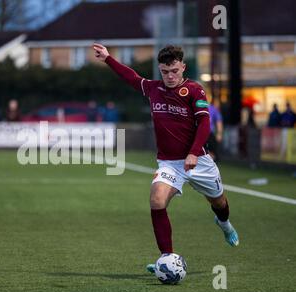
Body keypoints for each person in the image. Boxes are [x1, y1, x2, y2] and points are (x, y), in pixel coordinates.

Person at [93, 43, 239, 274]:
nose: (170, 76)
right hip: (170, 163)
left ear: (182, 66)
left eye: (174, 71)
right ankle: (167, 259)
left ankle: (224, 224)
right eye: (164, 71)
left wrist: (193, 151)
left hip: (198, 160)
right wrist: (109, 59)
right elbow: (131, 77)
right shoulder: (153, 89)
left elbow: (204, 123)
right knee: (157, 200)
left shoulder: (194, 90)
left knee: (219, 203)